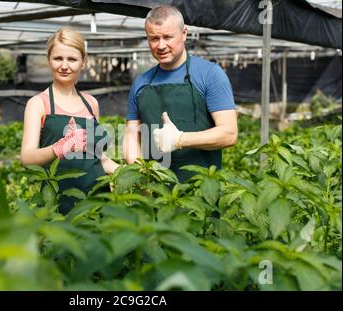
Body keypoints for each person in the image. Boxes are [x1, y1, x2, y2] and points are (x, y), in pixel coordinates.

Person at [124, 5, 238, 182]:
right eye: (154, 39)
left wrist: (180, 139)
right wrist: (139, 176)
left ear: (184, 33)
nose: (161, 45)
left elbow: (229, 134)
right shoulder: (141, 82)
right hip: (153, 194)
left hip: (200, 192)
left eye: (168, 37)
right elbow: (132, 134)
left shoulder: (209, 74)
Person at [21, 28, 119, 214]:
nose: (64, 66)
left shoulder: (91, 103)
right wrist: (59, 147)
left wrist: (127, 172)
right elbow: (27, 158)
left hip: (98, 199)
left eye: (72, 59)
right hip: (58, 200)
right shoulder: (38, 104)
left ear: (83, 62)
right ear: (49, 59)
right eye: (58, 58)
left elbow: (97, 157)